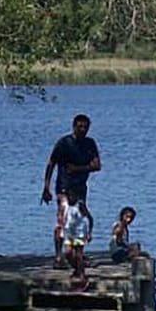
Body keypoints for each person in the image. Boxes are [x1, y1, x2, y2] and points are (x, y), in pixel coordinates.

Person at [41, 114, 101, 268]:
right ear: (74, 126)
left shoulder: (89, 143)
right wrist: (46, 187)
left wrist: (78, 169)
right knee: (62, 220)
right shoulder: (64, 143)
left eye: (86, 127)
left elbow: (97, 165)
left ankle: (76, 254)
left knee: (79, 220)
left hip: (80, 187)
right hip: (64, 187)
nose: (83, 130)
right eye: (80, 126)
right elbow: (51, 163)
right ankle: (58, 256)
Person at [62, 188, 94, 288]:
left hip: (79, 233)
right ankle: (77, 268)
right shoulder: (66, 204)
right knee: (68, 253)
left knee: (79, 255)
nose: (70, 197)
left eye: (71, 195)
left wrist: (89, 233)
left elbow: (89, 218)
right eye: (68, 195)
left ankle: (81, 273)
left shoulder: (80, 205)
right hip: (69, 233)